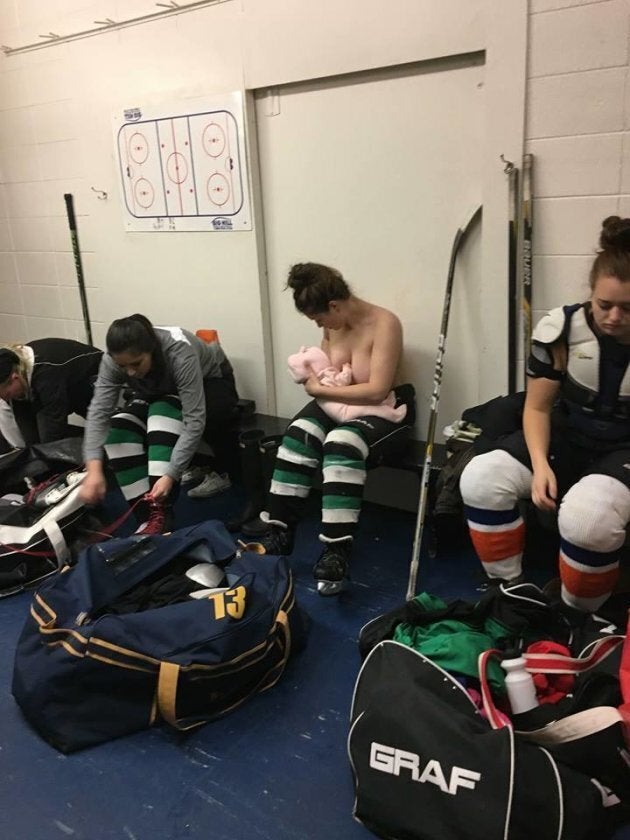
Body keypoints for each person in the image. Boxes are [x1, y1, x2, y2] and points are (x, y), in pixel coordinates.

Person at [460, 215, 630, 615]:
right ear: (591, 293)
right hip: (567, 433)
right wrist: (539, 465)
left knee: (588, 520)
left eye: (628, 308)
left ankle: (575, 616)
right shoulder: (563, 328)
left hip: (623, 448)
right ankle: (511, 590)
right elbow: (536, 406)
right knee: (481, 479)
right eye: (604, 304)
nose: (613, 318)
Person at [258, 262, 415, 596]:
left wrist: (320, 390)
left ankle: (336, 549)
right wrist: (316, 377)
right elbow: (327, 368)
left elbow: (375, 389)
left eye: (319, 319)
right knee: (298, 434)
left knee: (341, 443)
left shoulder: (385, 324)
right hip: (338, 400)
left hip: (384, 408)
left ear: (334, 306)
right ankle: (279, 531)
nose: (319, 326)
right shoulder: (334, 325)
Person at [80, 315, 239, 534]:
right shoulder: (113, 360)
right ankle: (146, 518)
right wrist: (94, 469)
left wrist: (171, 474)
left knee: (162, 418)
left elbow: (195, 420)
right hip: (157, 388)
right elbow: (99, 412)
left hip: (211, 379)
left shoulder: (179, 353)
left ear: (152, 350)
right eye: (122, 366)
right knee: (118, 429)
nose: (130, 373)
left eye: (136, 364)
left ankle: (162, 514)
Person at [0, 338, 102, 449]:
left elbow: (52, 431)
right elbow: (26, 426)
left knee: (49, 439)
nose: (5, 399)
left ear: (15, 378)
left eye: (7, 395)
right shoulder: (17, 373)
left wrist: (46, 456)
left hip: (95, 379)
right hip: (65, 386)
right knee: (35, 440)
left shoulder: (47, 374)